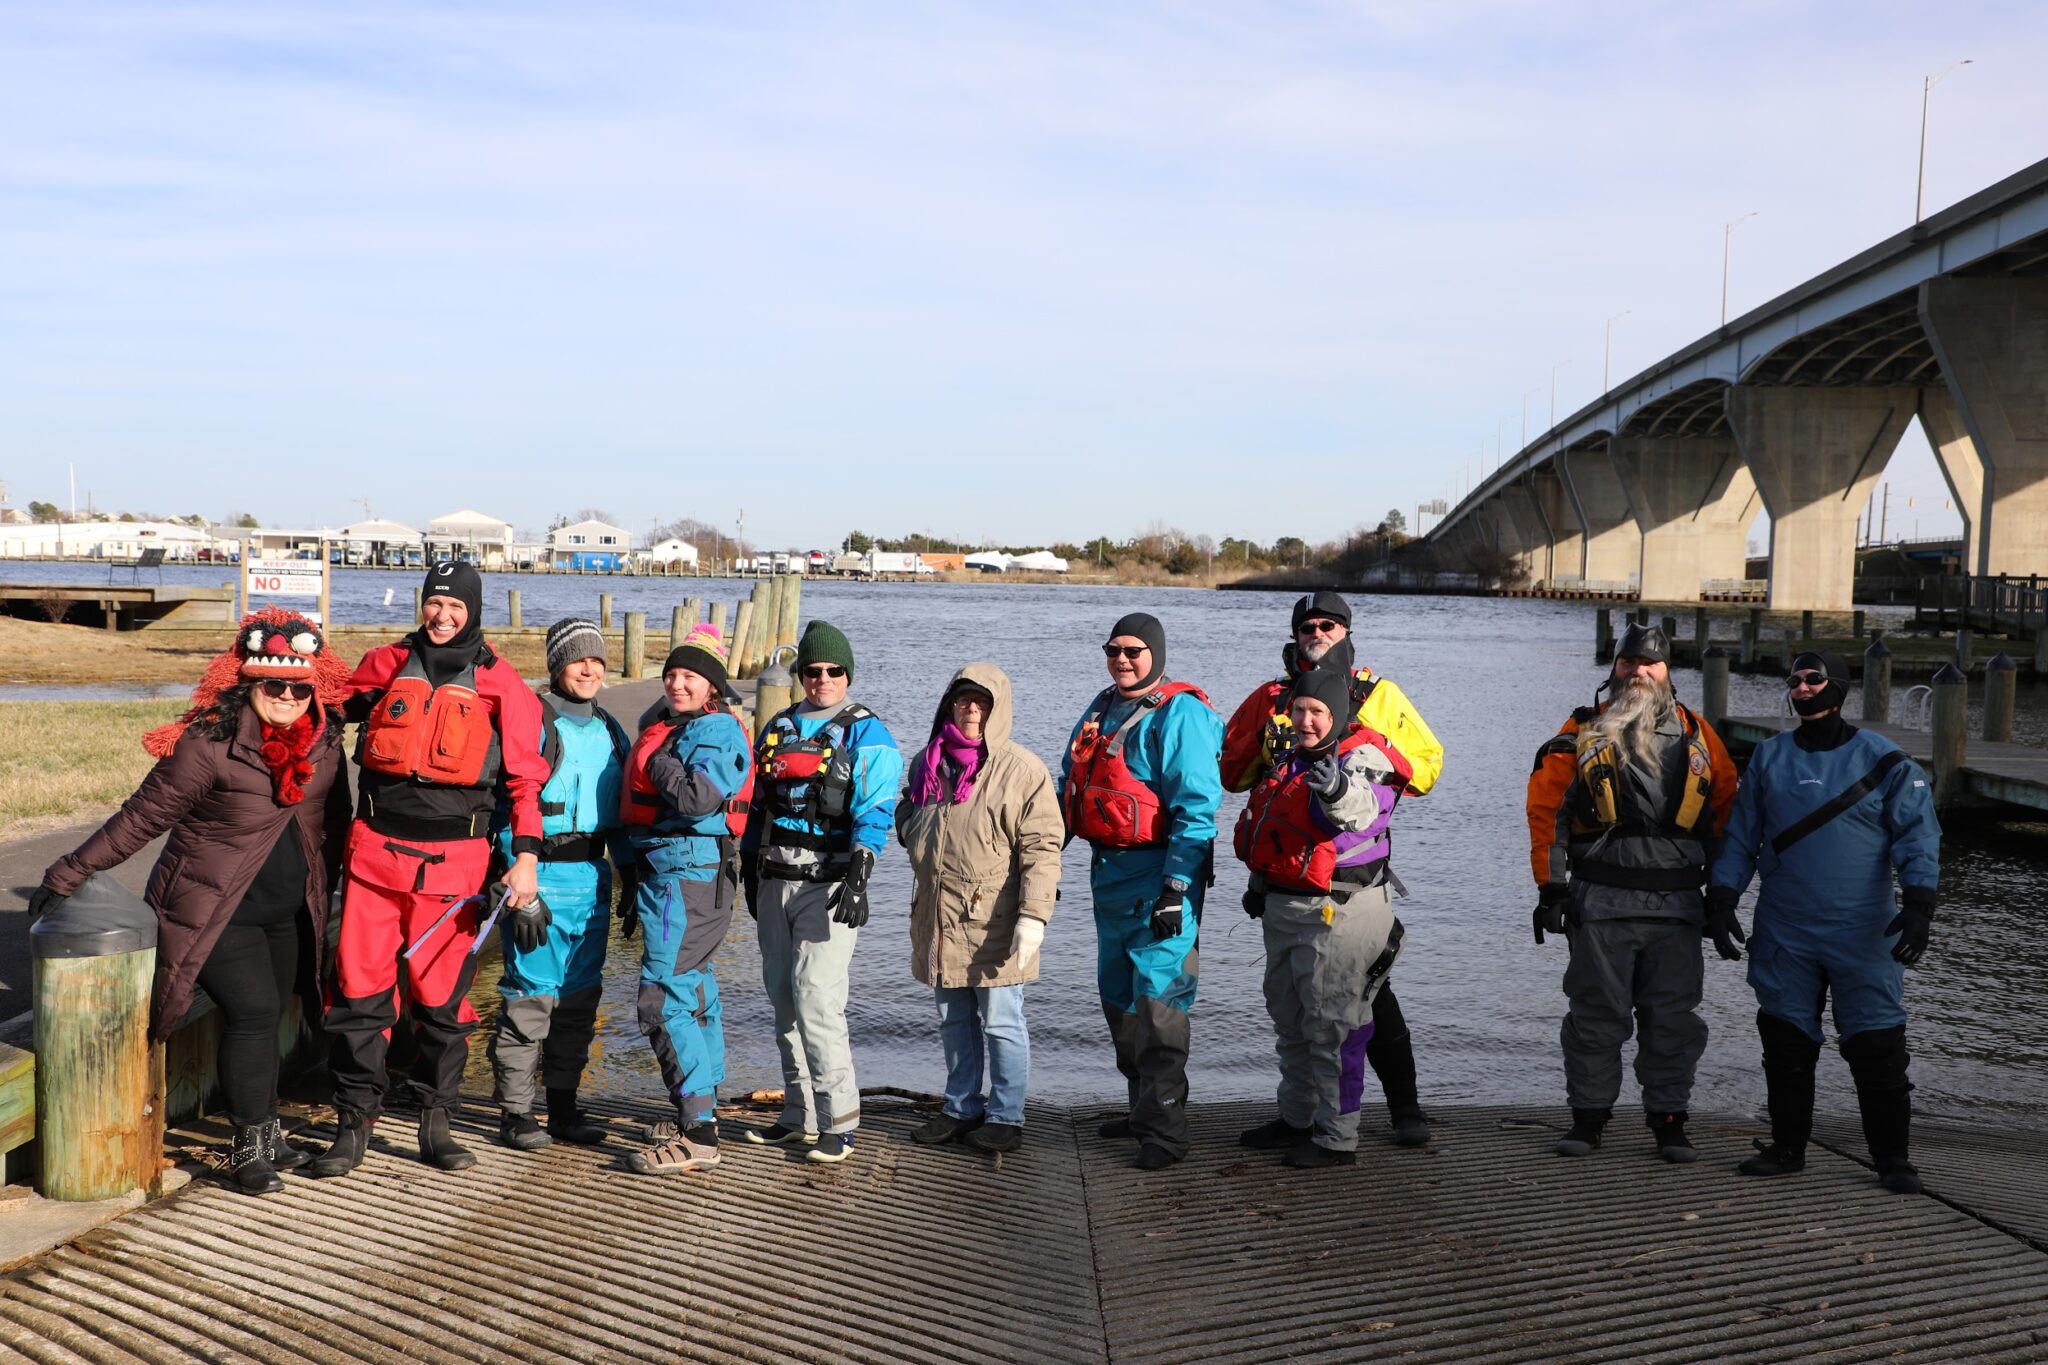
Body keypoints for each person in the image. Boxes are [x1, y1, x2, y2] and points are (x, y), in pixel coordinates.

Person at [31, 609, 353, 1194]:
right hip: (214, 909)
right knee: (254, 1014)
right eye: (272, 685)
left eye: (299, 688)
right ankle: (247, 1147)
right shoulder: (208, 744)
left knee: (275, 1012)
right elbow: (141, 818)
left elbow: (335, 823)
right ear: (248, 683)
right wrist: (68, 872)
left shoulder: (325, 743)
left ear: (314, 689)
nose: (287, 697)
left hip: (287, 910)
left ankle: (268, 1133)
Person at [311, 561, 548, 1178]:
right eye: (434, 604)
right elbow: (319, 708)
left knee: (441, 1004)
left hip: (454, 873)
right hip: (374, 860)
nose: (442, 617)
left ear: (474, 611)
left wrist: (525, 859)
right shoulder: (386, 664)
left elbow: (526, 783)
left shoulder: (503, 685)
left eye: (455, 607)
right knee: (358, 994)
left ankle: (435, 1122)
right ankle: (353, 1123)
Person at [1708, 649, 1941, 1193]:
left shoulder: (1885, 761)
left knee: (1877, 1046)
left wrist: (1919, 906)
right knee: (1786, 1043)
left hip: (1864, 930)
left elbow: (1918, 837)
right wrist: (1720, 898)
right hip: (1785, 928)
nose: (1803, 688)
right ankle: (1788, 1148)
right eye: (1795, 679)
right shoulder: (1769, 757)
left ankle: (1892, 1161)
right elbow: (1741, 837)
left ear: (1838, 686)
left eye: (1814, 678)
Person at [1221, 589, 1443, 1147]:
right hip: (1285, 877)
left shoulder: (1378, 696)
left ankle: (1400, 1112)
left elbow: (1424, 771)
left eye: (1329, 625)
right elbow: (1233, 775)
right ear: (1295, 635)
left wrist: (1352, 762)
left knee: (1360, 1005)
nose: (1317, 633)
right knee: (1296, 1013)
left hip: (1346, 880)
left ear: (1345, 632)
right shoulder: (1272, 698)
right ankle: (1301, 1117)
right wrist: (1277, 744)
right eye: (1308, 626)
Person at [1525, 621, 1737, 1162]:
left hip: (1679, 907)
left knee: (1673, 1020)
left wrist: (1723, 898)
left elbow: (1727, 819)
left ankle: (1669, 1120)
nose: (1639, 671)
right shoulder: (1580, 731)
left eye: (1650, 663)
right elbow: (1547, 815)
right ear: (1614, 669)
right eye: (1629, 662)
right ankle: (1589, 1118)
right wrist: (1551, 889)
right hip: (1600, 903)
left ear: (1667, 671)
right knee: (1595, 1016)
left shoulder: (1699, 736)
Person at [1233, 664, 1412, 1168]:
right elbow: (1275, 829)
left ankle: (1337, 1139)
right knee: (1290, 1021)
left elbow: (1361, 810)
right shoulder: (1291, 757)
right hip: (1285, 905)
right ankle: (1296, 1119)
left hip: (1342, 910)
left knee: (1335, 1027)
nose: (1306, 720)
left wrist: (1334, 789)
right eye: (1299, 710)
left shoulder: (1365, 759)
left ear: (1338, 714)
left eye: (1317, 712)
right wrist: (1258, 884)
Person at [1062, 612, 1222, 1171]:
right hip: (1108, 875)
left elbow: (1197, 810)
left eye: (1134, 651)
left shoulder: (1182, 715)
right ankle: (1142, 1112)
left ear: (1156, 653)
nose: (1123, 660)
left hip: (1160, 879)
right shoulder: (1103, 706)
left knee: (1159, 1005)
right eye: (1114, 650)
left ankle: (1166, 1133)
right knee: (1119, 1001)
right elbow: (1072, 784)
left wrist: (1176, 887)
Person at [739, 620, 902, 1163]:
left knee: (816, 997)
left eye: (834, 670)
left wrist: (860, 875)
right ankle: (799, 1115)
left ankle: (841, 1123)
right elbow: (758, 805)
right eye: (812, 670)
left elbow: (875, 812)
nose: (823, 679)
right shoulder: (778, 727)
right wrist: (747, 866)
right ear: (801, 674)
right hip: (773, 879)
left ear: (847, 673)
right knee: (783, 997)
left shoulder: (867, 733)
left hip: (829, 885)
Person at [897, 664, 1063, 1154]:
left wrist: (1033, 918)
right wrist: (909, 830)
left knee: (1002, 1022)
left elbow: (1043, 849)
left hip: (996, 920)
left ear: (999, 709)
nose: (972, 709)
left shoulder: (1023, 771)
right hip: (938, 916)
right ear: (949, 706)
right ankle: (960, 1107)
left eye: (982, 702)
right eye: (963, 700)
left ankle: (1006, 1115)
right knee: (953, 1020)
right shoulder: (927, 761)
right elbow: (907, 808)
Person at [488, 617, 631, 1153]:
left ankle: (564, 1110)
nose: (589, 669)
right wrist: (517, 881)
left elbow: (622, 817)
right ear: (557, 666)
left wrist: (631, 878)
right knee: (531, 999)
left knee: (578, 1000)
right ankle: (516, 1114)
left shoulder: (611, 730)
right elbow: (510, 806)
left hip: (592, 878)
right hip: (539, 876)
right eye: (577, 660)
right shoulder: (534, 721)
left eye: (596, 660)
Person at [618, 632, 754, 1174]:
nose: (677, 684)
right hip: (674, 872)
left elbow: (698, 798)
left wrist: (656, 761)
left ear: (712, 686)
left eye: (690, 677)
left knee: (662, 998)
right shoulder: (681, 726)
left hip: (688, 874)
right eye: (671, 674)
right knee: (695, 988)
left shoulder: (716, 729)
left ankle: (699, 1134)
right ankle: (700, 1110)